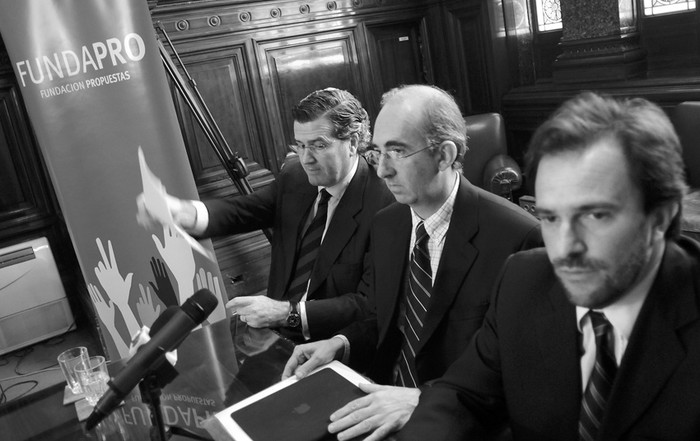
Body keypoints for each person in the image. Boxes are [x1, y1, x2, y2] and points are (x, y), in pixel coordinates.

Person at [397, 91, 700, 441]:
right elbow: (461, 396)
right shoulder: (523, 280)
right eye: (551, 218)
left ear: (661, 217)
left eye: (595, 215)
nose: (565, 249)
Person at [282, 84, 542, 440]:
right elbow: (381, 317)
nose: (384, 170)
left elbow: (523, 371)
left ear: (445, 155)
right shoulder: (388, 223)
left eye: (398, 152)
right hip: (375, 402)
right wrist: (341, 343)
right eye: (377, 153)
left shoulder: (519, 238)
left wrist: (422, 399)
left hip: (458, 423)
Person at [139, 87, 394, 342]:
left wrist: (287, 313)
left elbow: (367, 304)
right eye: (300, 145)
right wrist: (182, 212)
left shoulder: (385, 204)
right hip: (275, 338)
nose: (306, 159)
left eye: (318, 146)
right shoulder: (296, 177)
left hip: (338, 345)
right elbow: (243, 211)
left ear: (352, 143)